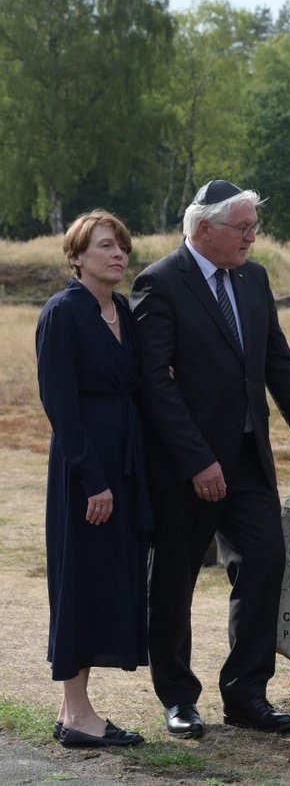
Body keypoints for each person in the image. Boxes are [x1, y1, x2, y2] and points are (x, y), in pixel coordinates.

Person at [131, 180, 290, 739]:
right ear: (205, 229)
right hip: (187, 468)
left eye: (255, 227)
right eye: (244, 227)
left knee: (264, 562)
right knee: (174, 582)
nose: (254, 237)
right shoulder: (160, 284)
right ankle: (179, 698)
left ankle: (246, 694)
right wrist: (198, 460)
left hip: (250, 462)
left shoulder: (254, 279)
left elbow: (278, 365)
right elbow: (155, 385)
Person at [36, 210, 152, 749]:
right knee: (78, 582)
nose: (118, 255)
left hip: (123, 463)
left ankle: (73, 712)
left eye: (122, 247)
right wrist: (93, 481)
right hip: (87, 470)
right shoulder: (63, 313)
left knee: (105, 581)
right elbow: (60, 405)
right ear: (77, 256)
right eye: (106, 246)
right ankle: (80, 716)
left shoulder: (122, 310)